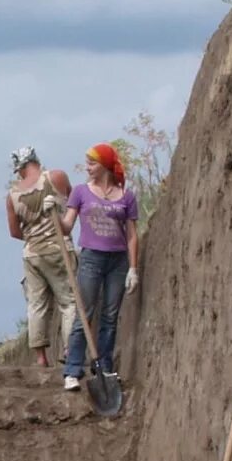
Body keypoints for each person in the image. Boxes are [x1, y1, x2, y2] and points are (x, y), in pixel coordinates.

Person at [6, 152, 86, 384]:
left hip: (32, 253)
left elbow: (13, 231)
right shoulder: (56, 177)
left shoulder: (12, 195)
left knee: (37, 304)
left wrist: (33, 236)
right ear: (35, 161)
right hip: (59, 247)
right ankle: (70, 351)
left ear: (21, 167)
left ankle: (40, 357)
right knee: (69, 301)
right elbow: (74, 203)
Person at [70, 143, 142, 379]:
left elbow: (131, 234)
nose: (88, 167)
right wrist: (55, 215)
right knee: (85, 312)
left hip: (118, 261)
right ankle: (73, 368)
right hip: (91, 257)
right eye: (88, 163)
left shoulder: (126, 197)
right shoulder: (80, 192)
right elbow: (66, 226)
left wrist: (133, 267)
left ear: (105, 165)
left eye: (92, 163)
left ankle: (104, 367)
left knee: (110, 317)